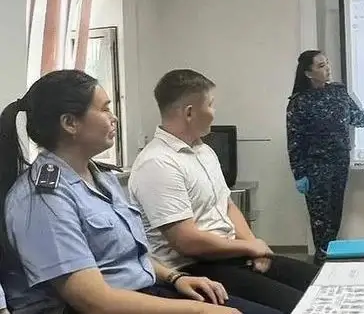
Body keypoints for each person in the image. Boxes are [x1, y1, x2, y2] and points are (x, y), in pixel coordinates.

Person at [0, 70, 279, 314]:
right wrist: (199, 310)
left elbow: (127, 256)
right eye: (104, 109)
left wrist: (175, 278)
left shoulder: (101, 177)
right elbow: (94, 302)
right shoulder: (44, 199)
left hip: (143, 292)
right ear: (70, 123)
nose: (114, 118)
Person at [128, 69, 319, 314]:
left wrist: (252, 244)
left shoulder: (204, 151)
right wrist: (249, 248)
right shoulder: (158, 163)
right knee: (301, 306)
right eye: (210, 104)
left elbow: (226, 205)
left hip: (230, 255)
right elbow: (187, 242)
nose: (214, 112)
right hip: (194, 268)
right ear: (189, 112)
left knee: (320, 283)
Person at [286, 50, 364, 261]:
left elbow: (359, 119)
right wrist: (299, 173)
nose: (327, 68)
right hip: (316, 168)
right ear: (308, 73)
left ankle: (331, 258)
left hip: (339, 163)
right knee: (320, 220)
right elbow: (294, 141)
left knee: (334, 215)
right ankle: (320, 262)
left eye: (327, 63)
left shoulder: (339, 92)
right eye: (321, 66)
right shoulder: (299, 102)